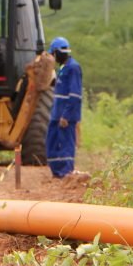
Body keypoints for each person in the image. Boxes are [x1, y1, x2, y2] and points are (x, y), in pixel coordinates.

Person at [45, 36, 82, 178]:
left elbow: (75, 95)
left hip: (65, 117)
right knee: (52, 143)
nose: (53, 58)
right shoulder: (63, 68)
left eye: (54, 54)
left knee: (66, 145)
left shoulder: (73, 68)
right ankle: (57, 172)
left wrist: (66, 115)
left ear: (58, 52)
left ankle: (66, 173)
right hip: (56, 115)